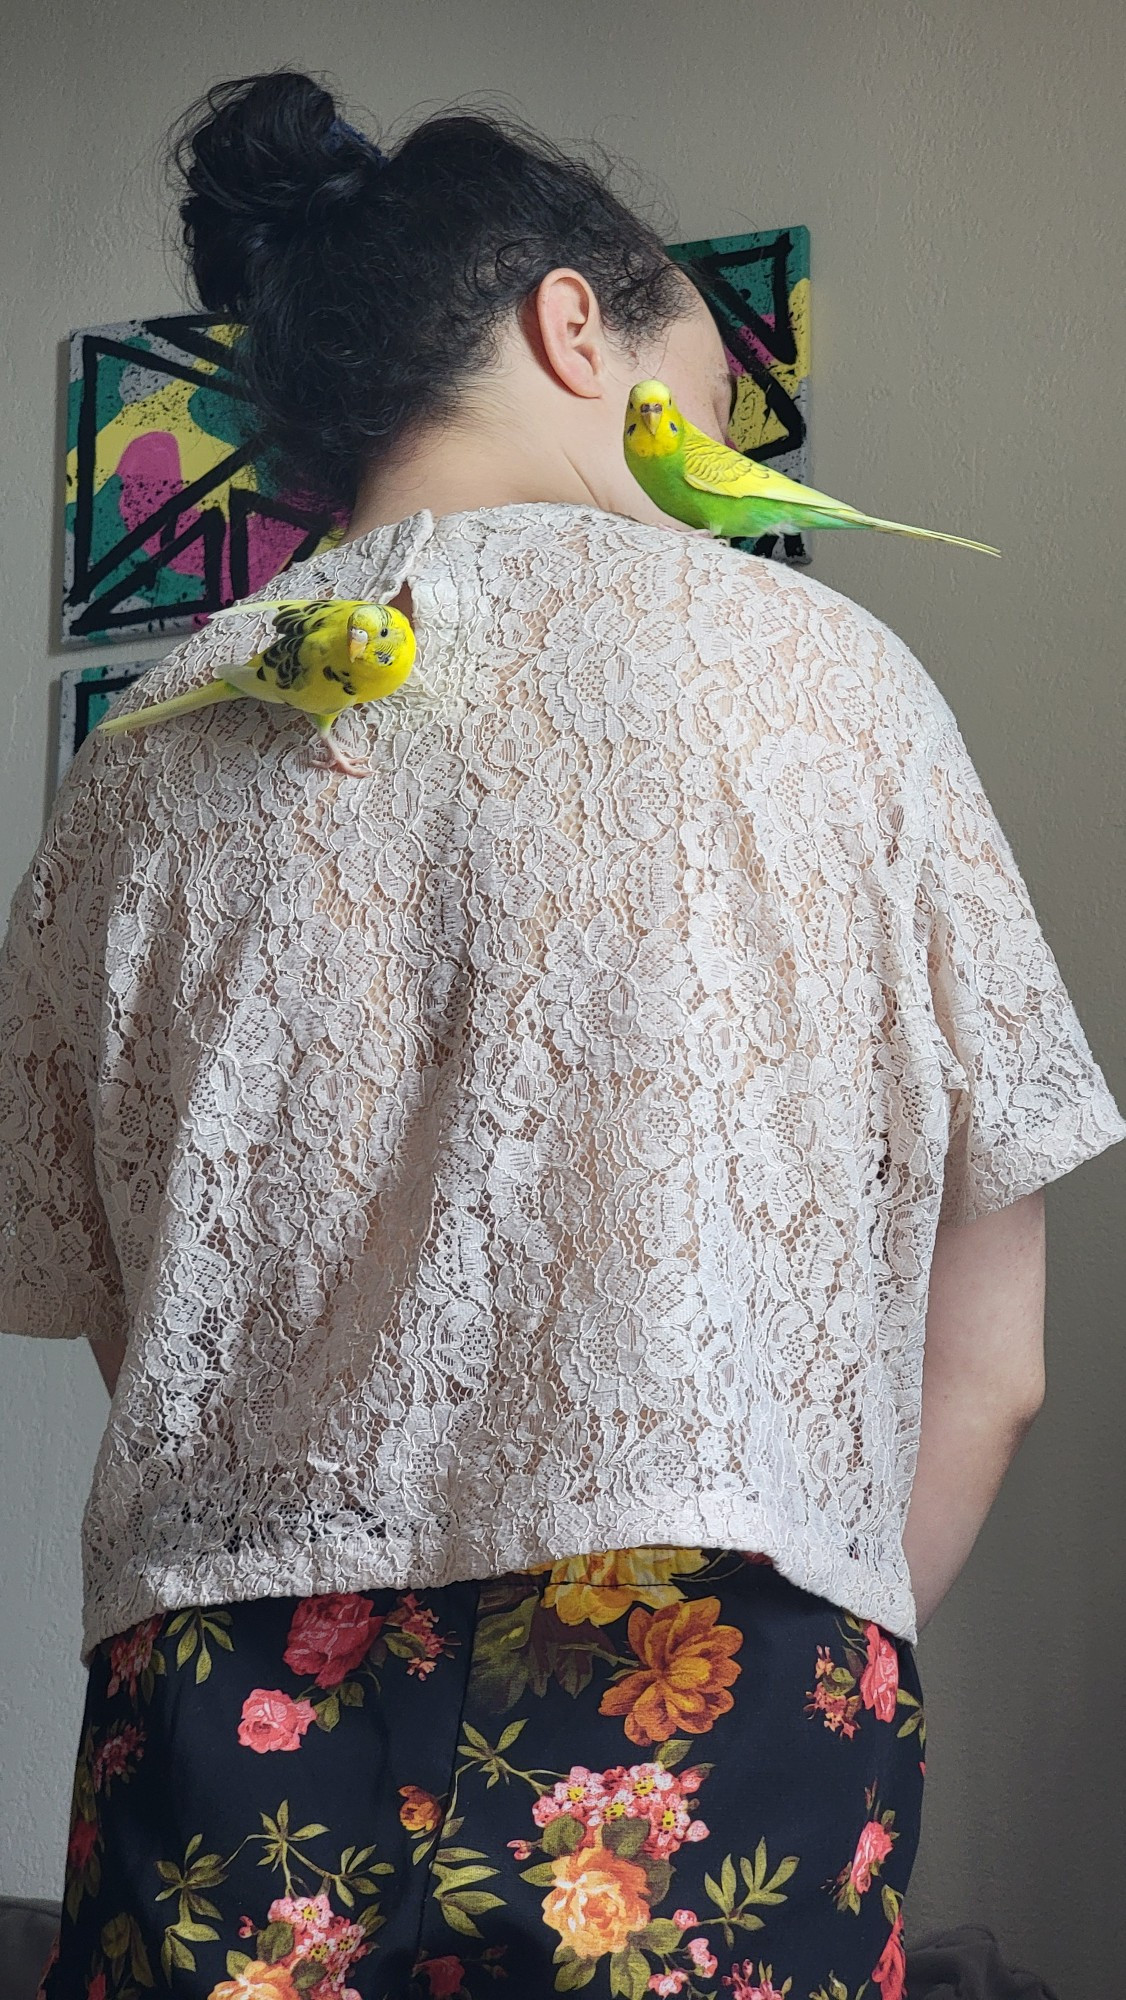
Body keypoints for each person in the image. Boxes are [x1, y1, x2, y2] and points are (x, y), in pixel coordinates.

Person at [3, 71, 1124, 2000]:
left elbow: (116, 1298)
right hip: (725, 1676)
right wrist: (819, 1664)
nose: (702, 459)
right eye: (696, 395)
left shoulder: (135, 760)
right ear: (573, 324)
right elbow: (993, 1364)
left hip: (216, 1699)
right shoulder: (827, 681)